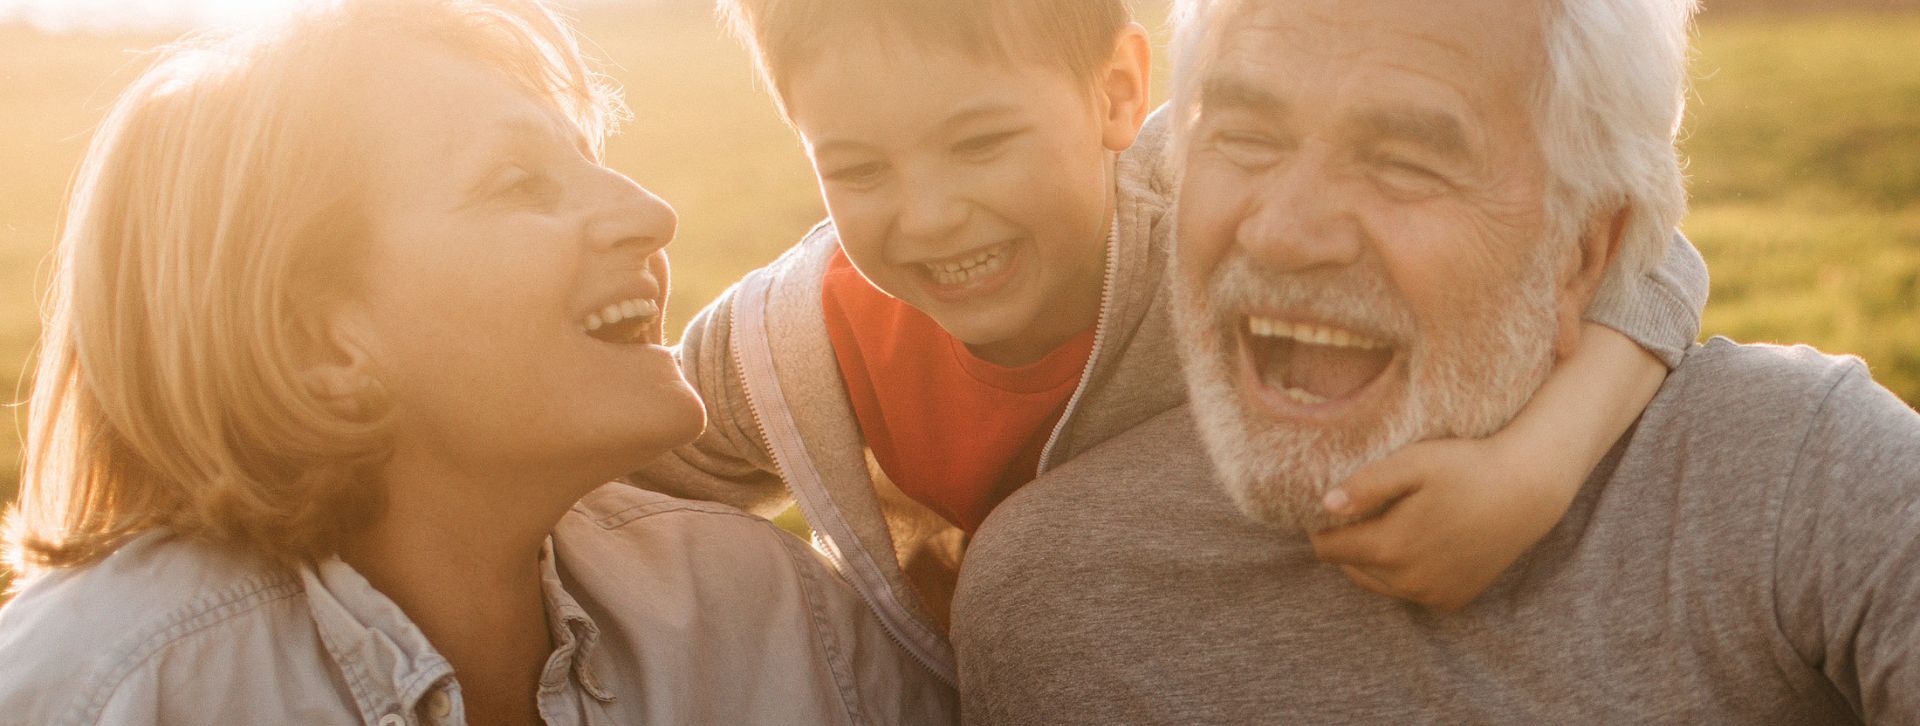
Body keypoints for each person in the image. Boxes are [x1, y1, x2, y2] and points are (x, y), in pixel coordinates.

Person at [626, 0, 1711, 682]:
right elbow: (616, 463)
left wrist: (1536, 466)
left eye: (980, 142)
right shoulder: (794, 335)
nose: (929, 214)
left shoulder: (1219, 220)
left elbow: (1643, 256)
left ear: (1117, 95)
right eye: (858, 169)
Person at [951, 0, 1920, 721]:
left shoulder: (1796, 484)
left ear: (1583, 253)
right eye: (1246, 138)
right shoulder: (1054, 606)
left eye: (1406, 161)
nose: (1286, 232)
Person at [0, 1, 952, 723]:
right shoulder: (105, 689)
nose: (650, 215)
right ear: (319, 342)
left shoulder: (763, 613)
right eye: (519, 183)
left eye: (590, 159)